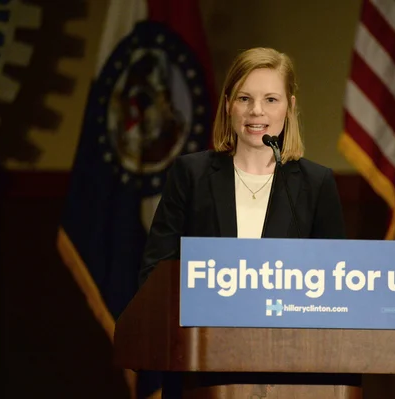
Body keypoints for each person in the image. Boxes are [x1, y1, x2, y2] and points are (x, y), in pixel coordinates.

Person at [138, 47, 347, 397]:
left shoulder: (316, 184)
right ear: (228, 105)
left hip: (291, 374)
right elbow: (155, 273)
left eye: (270, 99)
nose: (257, 111)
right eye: (245, 98)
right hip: (201, 370)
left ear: (290, 107)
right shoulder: (192, 175)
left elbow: (337, 285)